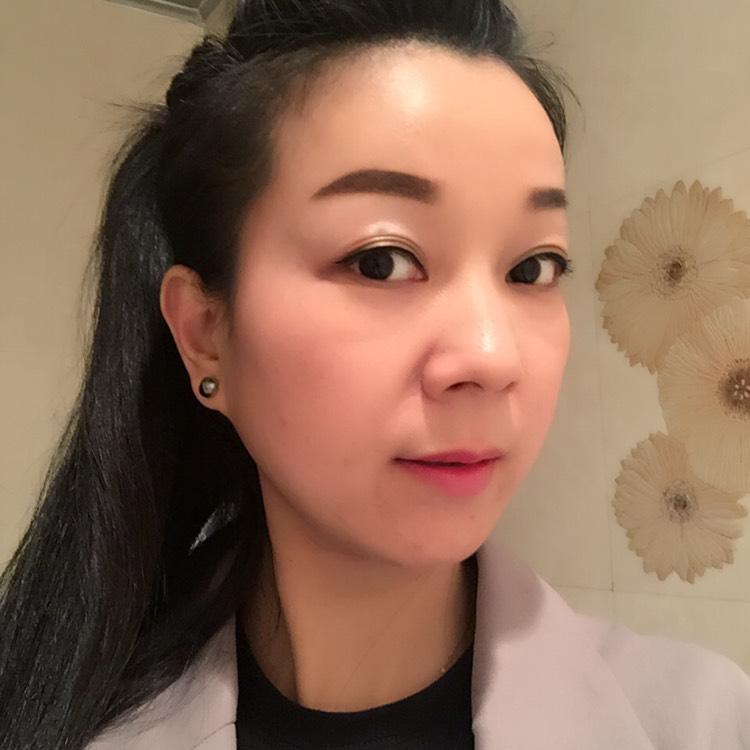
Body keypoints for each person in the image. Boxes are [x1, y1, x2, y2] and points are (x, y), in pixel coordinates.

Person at [2, 1, 749, 748]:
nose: (492, 357)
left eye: (532, 268)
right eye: (381, 261)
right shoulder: (54, 707)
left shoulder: (705, 723)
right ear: (204, 335)